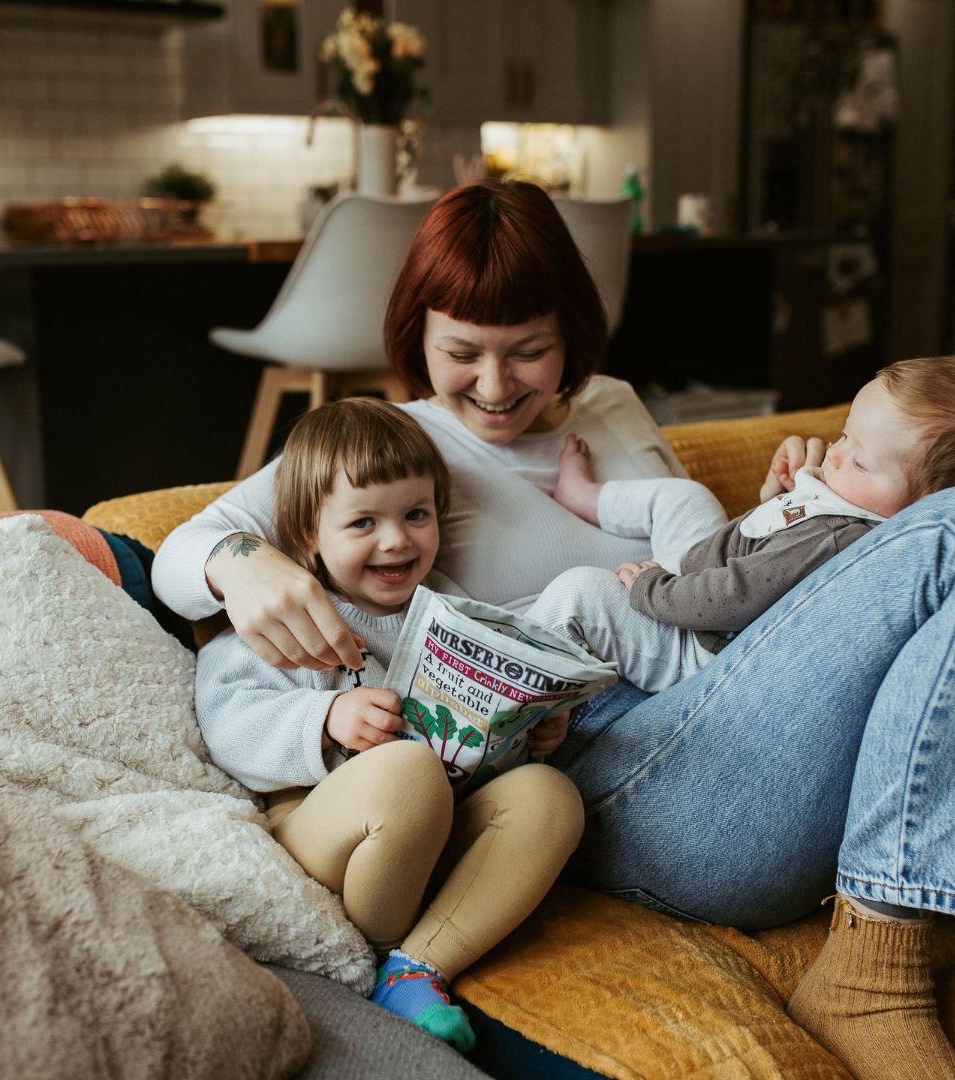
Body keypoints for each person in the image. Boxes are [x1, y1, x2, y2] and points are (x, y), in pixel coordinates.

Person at [153, 180, 955, 1080]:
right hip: (622, 775)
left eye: (529, 351)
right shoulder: (393, 449)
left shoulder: (611, 409)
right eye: (460, 352)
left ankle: (879, 947)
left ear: (571, 331)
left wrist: (802, 508)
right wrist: (239, 560)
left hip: (740, 710)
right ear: (416, 335)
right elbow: (176, 555)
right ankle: (877, 974)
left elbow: (709, 585)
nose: (494, 388)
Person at [193, 395, 584, 1053]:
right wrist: (324, 717)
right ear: (308, 534)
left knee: (550, 798)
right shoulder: (284, 617)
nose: (397, 539)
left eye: (415, 515)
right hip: (321, 830)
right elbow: (225, 722)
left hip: (435, 833)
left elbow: (479, 754)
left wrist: (533, 736)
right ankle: (369, 947)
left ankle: (415, 968)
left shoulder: (457, 615)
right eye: (364, 523)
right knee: (406, 770)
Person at [527, 357, 954, 694]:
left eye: (860, 461)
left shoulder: (841, 538)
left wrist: (652, 588)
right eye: (844, 436)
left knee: (580, 592)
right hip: (699, 587)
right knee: (687, 495)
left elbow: (739, 594)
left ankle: (492, 683)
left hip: (697, 646)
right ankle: (584, 495)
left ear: (925, 507)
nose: (835, 455)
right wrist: (781, 498)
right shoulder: (848, 508)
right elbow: (778, 562)